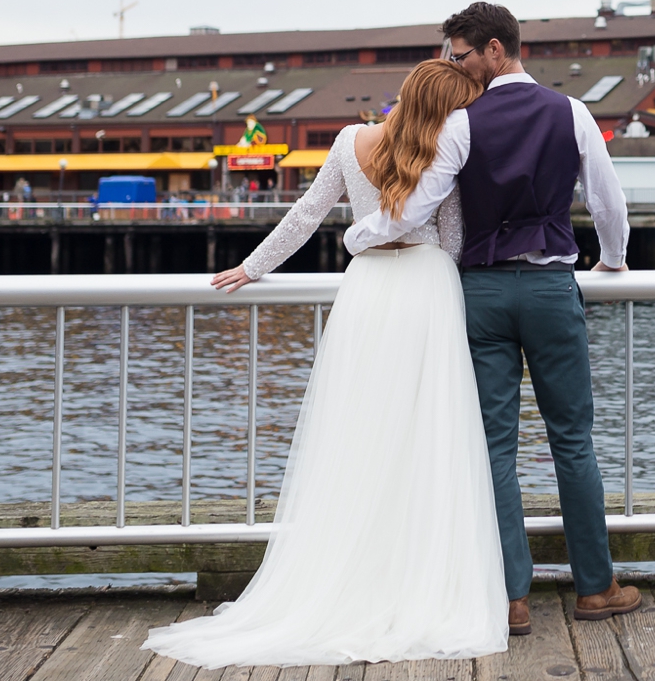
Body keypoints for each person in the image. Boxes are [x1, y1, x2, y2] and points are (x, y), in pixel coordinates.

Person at [142, 59, 507, 668]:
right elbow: (453, 240)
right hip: (427, 291)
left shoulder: (348, 140)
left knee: (358, 434)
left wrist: (253, 267)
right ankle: (416, 579)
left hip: (365, 293)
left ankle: (349, 576)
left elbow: (307, 214)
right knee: (427, 437)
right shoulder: (449, 150)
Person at [345, 1, 639, 636]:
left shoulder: (461, 125)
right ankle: (596, 587)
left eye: (460, 54)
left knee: (494, 448)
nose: (453, 65)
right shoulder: (573, 112)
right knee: (573, 442)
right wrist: (611, 261)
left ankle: (511, 598)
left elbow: (415, 209)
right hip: (549, 288)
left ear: (496, 50)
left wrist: (358, 236)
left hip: (481, 293)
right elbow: (608, 202)